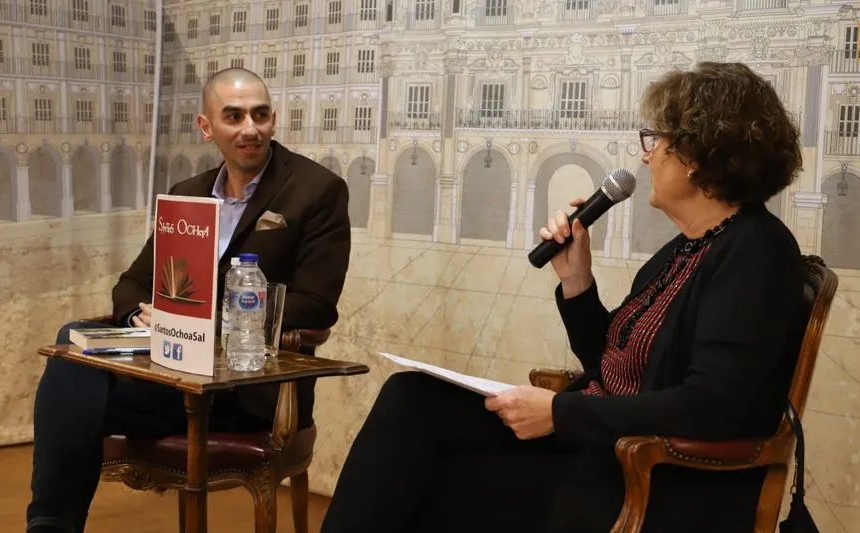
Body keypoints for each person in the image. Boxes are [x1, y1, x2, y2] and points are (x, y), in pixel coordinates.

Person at [318, 61, 807, 533]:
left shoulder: (757, 253)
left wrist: (559, 414)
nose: (645, 154)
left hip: (650, 479)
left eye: (656, 140)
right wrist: (577, 282)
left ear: (700, 153)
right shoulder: (688, 246)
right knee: (413, 399)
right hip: (600, 443)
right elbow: (613, 361)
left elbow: (712, 406)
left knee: (423, 477)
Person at [26, 67, 351, 533]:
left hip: (249, 388)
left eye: (260, 115)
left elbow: (316, 305)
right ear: (206, 127)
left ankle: (50, 525)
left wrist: (202, 318)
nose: (250, 129)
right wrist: (142, 314)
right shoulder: (188, 194)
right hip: (175, 375)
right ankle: (50, 526)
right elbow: (132, 283)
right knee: (71, 355)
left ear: (274, 120)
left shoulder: (316, 190)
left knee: (71, 386)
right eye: (233, 116)